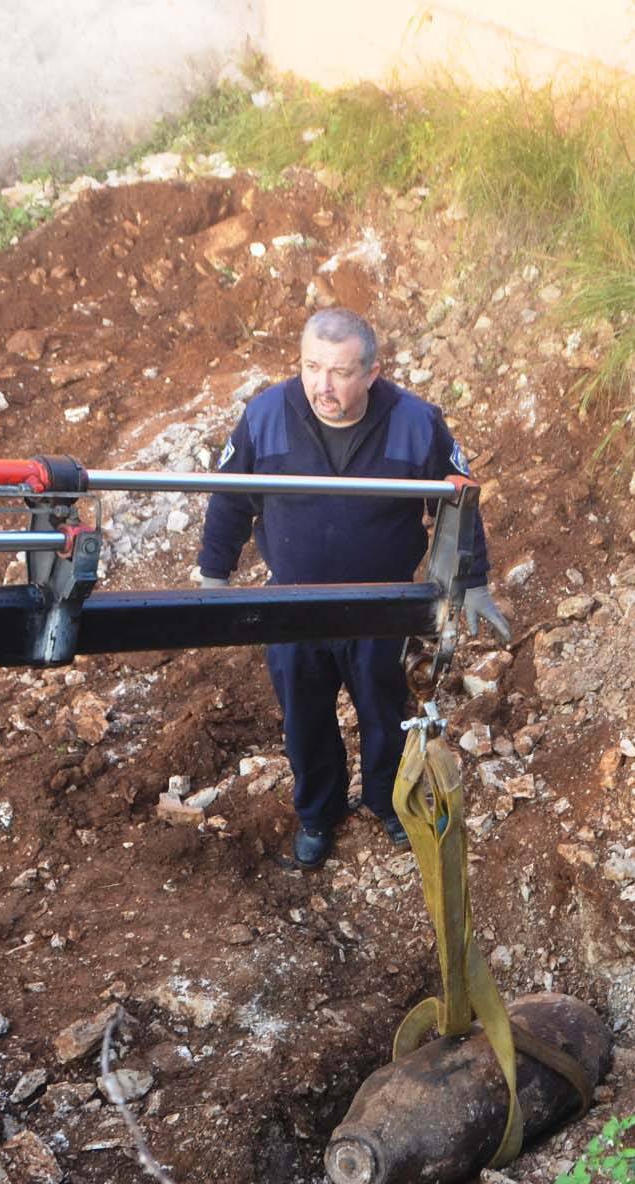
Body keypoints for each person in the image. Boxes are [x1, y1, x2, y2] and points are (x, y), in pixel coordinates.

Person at [198, 308, 510, 870]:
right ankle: (318, 813)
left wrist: (475, 581)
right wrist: (212, 576)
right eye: (311, 367)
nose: (323, 385)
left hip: (382, 608)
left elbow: (458, 504)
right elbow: (228, 498)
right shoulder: (266, 416)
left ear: (371, 372)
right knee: (305, 716)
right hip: (292, 606)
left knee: (384, 710)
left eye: (340, 372)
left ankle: (389, 803)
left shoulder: (416, 423)